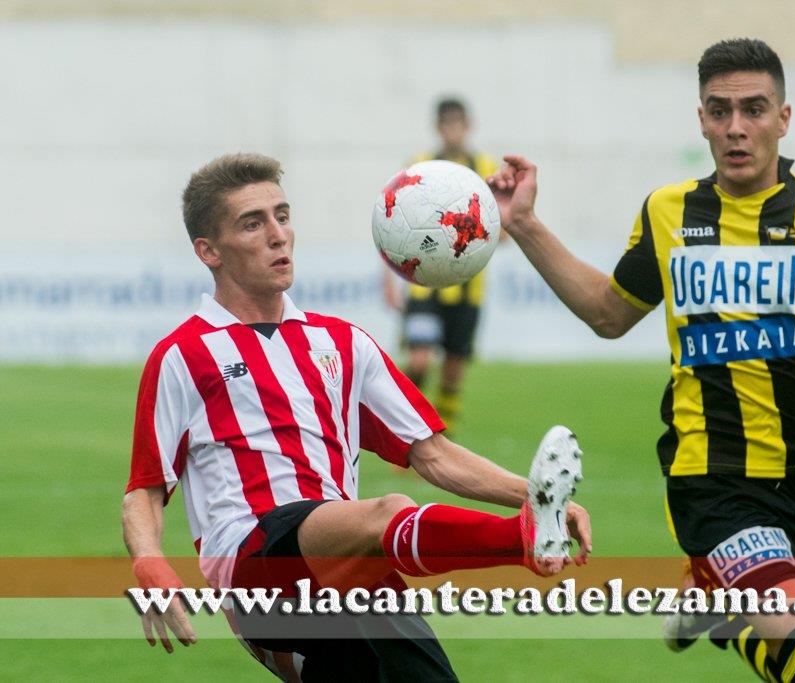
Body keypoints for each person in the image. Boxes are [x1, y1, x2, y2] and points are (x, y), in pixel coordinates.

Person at [488, 39, 795, 682]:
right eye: (719, 111)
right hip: (714, 479)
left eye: (754, 109)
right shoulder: (670, 213)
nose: (736, 127)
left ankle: (719, 607)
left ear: (784, 118)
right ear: (701, 118)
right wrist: (524, 225)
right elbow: (610, 313)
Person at [122, 153, 591, 681]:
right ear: (208, 251)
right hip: (254, 558)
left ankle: (531, 523)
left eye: (282, 215)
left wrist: (535, 493)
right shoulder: (183, 355)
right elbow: (145, 489)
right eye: (253, 224)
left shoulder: (344, 343)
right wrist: (149, 561)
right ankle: (521, 539)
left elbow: (432, 453)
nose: (278, 235)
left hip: (349, 564)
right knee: (384, 509)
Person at [383, 98, 500, 432]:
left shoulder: (486, 167)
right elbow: (392, 226)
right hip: (423, 286)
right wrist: (389, 279)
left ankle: (442, 442)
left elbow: (500, 230)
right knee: (418, 361)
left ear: (468, 125)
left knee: (452, 369)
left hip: (467, 290)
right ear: (438, 127)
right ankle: (405, 433)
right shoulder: (419, 165)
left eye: (458, 123)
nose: (452, 130)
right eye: (446, 123)